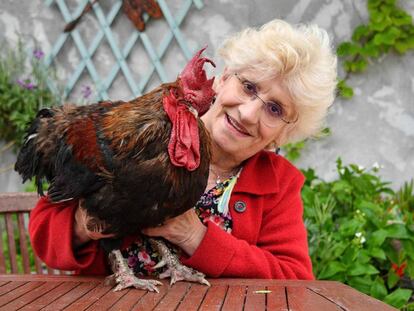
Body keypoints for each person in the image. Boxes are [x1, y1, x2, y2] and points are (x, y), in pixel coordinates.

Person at [29, 19, 337, 280]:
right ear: (224, 79)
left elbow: (294, 280)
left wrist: (196, 237)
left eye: (274, 109)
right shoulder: (134, 137)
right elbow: (43, 231)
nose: (248, 113)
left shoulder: (278, 185)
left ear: (284, 132)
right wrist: (85, 225)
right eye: (249, 87)